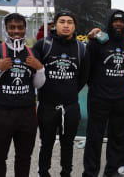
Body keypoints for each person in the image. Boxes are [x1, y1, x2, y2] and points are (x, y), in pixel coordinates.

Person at [0, 13, 46, 177]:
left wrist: (40, 68)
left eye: (20, 27)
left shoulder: (33, 52)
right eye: (12, 27)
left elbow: (38, 84)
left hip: (27, 114)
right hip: (1, 113)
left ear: (25, 29)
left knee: (24, 158)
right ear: (5, 29)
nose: (16, 31)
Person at [33, 11, 90, 177]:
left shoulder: (81, 48)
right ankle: (43, 172)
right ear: (55, 24)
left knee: (68, 143)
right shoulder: (43, 45)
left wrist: (69, 91)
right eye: (62, 21)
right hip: (47, 106)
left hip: (70, 106)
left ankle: (66, 172)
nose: (66, 25)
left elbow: (83, 77)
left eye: (70, 22)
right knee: (47, 143)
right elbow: (35, 73)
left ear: (74, 26)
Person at [82, 9, 124, 177]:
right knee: (94, 138)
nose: (118, 24)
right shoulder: (98, 41)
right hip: (99, 98)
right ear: (110, 23)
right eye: (115, 21)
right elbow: (87, 67)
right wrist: (96, 87)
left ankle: (111, 171)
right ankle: (90, 172)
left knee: (116, 138)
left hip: (119, 99)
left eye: (122, 21)